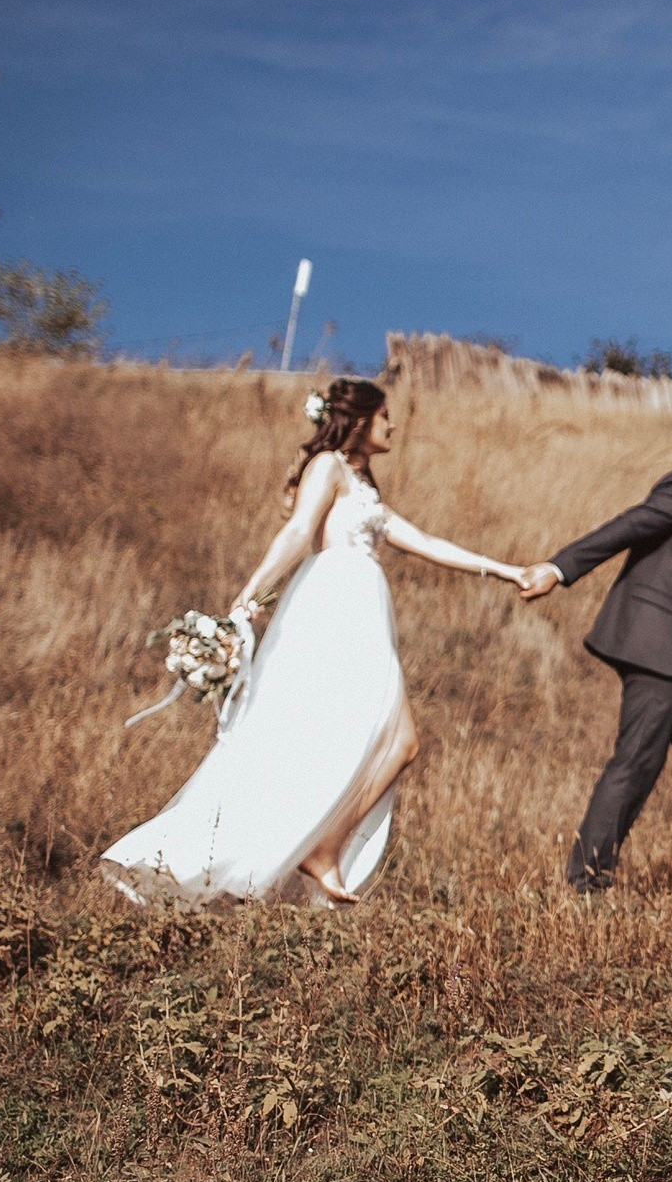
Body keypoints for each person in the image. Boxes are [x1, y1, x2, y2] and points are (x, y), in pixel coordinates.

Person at [102, 374, 527, 906]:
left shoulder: (364, 487)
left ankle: (322, 847)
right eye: (385, 416)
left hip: (365, 615)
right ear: (361, 419)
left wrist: (508, 572)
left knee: (398, 743)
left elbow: (425, 541)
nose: (394, 425)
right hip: (334, 608)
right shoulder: (327, 468)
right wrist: (249, 595)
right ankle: (307, 850)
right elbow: (300, 532)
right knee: (380, 738)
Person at [521, 414, 672, 893]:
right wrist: (559, 567)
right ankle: (584, 883)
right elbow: (632, 524)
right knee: (637, 760)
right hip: (658, 651)